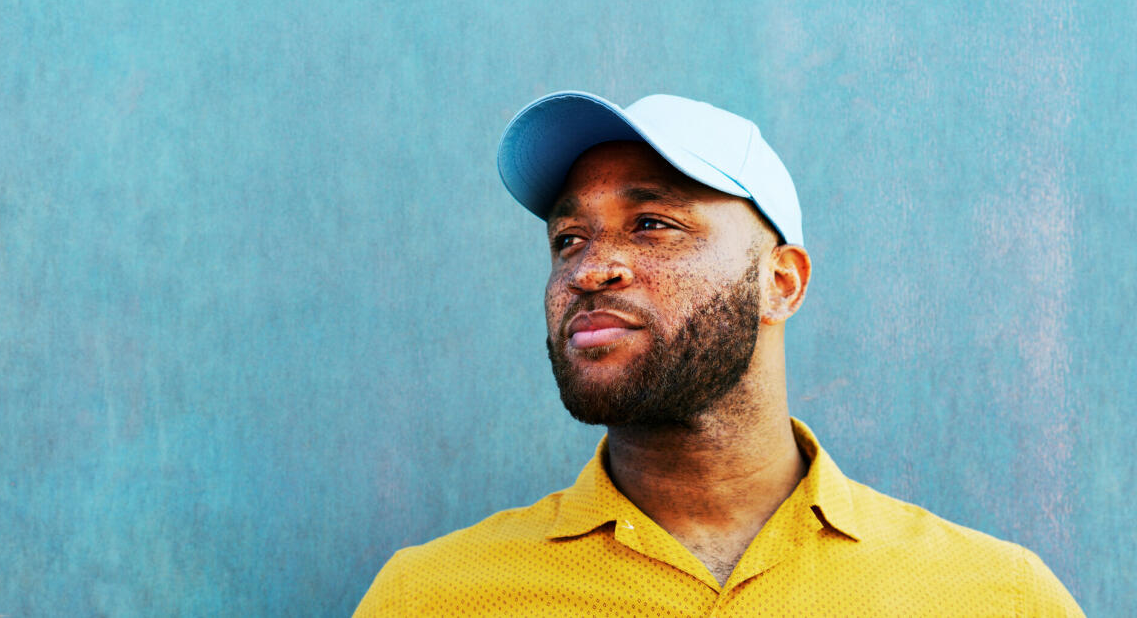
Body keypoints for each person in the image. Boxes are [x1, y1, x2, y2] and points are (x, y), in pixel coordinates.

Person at [354, 91, 1083, 616]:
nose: (588, 269)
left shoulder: (995, 596)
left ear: (781, 282)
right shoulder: (431, 597)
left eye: (652, 224)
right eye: (568, 239)